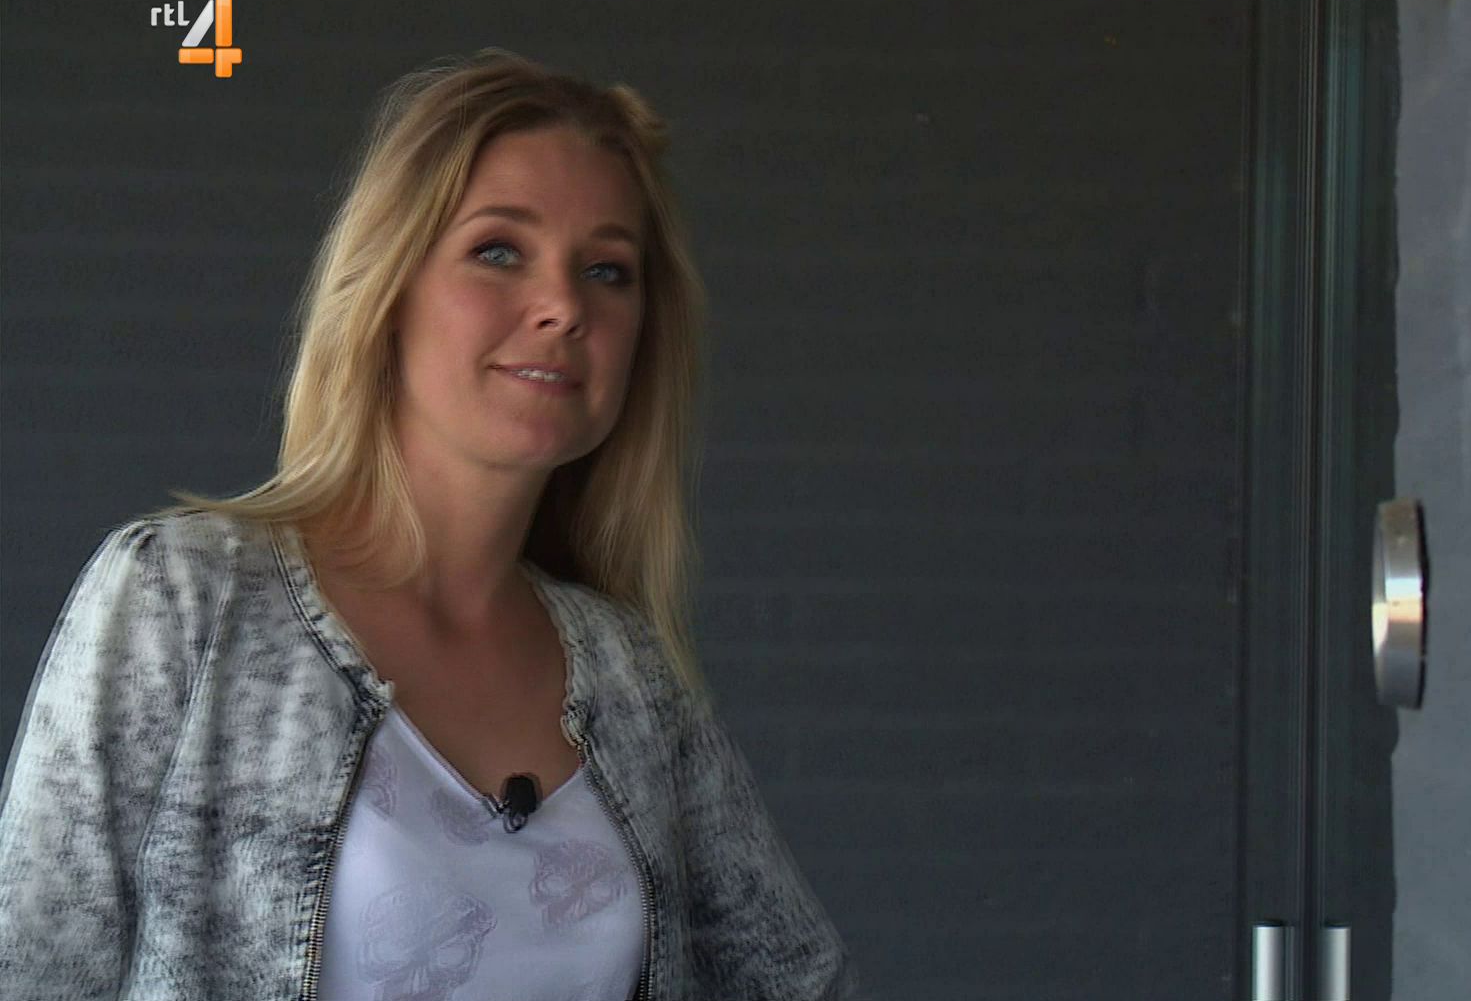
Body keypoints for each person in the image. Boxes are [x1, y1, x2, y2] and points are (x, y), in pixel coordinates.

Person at [0, 48, 858, 1001]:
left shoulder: (633, 678)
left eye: (608, 271)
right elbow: (32, 969)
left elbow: (803, 980)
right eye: (499, 251)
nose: (564, 306)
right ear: (388, 291)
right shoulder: (184, 602)